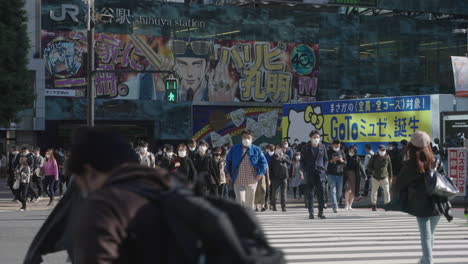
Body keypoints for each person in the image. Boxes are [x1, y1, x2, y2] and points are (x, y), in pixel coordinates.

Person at [395, 131, 453, 264]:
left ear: (412, 145)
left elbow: (402, 184)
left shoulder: (410, 163)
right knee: (430, 234)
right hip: (438, 202)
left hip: (420, 204)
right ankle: (424, 260)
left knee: (426, 235)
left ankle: (428, 261)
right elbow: (443, 178)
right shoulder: (436, 159)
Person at [225, 130, 267, 210]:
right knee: (240, 201)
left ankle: (248, 219)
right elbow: (228, 162)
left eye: (248, 137)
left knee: (249, 204)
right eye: (244, 137)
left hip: (252, 180)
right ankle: (241, 220)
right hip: (238, 180)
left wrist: (261, 173)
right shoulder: (234, 149)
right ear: (241, 138)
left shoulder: (256, 149)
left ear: (252, 139)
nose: (246, 139)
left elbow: (263, 162)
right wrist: (228, 174)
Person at [300, 130, 328, 219]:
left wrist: (324, 168)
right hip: (309, 173)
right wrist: (305, 170)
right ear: (311, 138)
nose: (316, 139)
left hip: (320, 173)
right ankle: (311, 212)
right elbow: (302, 160)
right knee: (310, 194)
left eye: (318, 137)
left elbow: (326, 159)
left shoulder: (322, 147)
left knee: (321, 193)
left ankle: (321, 212)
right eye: (314, 137)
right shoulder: (306, 147)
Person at [368, 145, 393, 211]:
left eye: (383, 150)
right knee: (374, 191)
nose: (382, 151)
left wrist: (391, 177)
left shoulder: (387, 157)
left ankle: (387, 205)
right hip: (375, 177)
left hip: (384, 177)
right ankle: (373, 205)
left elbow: (390, 167)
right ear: (378, 150)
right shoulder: (374, 157)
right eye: (381, 150)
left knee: (387, 192)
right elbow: (369, 166)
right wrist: (373, 171)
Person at [269, 143, 291, 212]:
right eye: (282, 148)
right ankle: (274, 206)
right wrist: (271, 177)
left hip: (284, 177)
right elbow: (270, 167)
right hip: (275, 177)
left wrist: (282, 158)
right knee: (274, 192)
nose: (284, 150)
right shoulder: (273, 156)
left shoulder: (286, 156)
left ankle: (283, 207)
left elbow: (289, 163)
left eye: (284, 149)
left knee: (283, 192)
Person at [343, 145, 366, 210]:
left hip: (354, 175)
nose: (352, 151)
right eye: (350, 149)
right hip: (346, 174)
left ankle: (350, 205)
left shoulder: (357, 158)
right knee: (347, 189)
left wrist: (365, 176)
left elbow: (361, 167)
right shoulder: (345, 156)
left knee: (353, 191)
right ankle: (346, 204)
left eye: (353, 150)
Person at [327, 140, 346, 213]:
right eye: (336, 146)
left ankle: (336, 202)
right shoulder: (329, 151)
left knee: (339, 193)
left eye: (338, 146)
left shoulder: (341, 152)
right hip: (331, 173)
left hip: (340, 174)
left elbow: (345, 162)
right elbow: (326, 161)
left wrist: (342, 161)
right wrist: (332, 160)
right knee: (333, 190)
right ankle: (335, 206)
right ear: (332, 145)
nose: (337, 147)